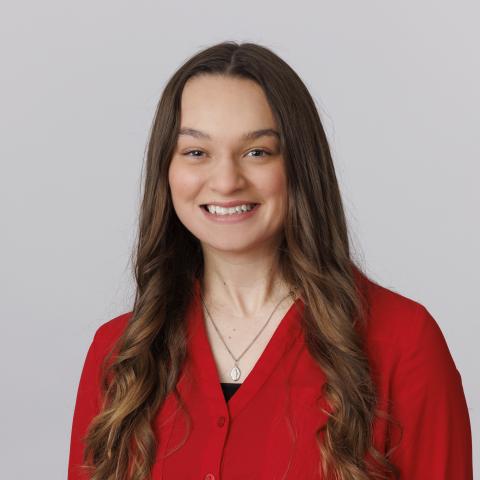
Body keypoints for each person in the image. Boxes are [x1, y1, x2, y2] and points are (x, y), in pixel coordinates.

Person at [67, 41, 472, 480]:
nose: (226, 181)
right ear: (166, 171)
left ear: (300, 165)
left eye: (257, 151)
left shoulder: (403, 343)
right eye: (196, 152)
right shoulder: (119, 356)